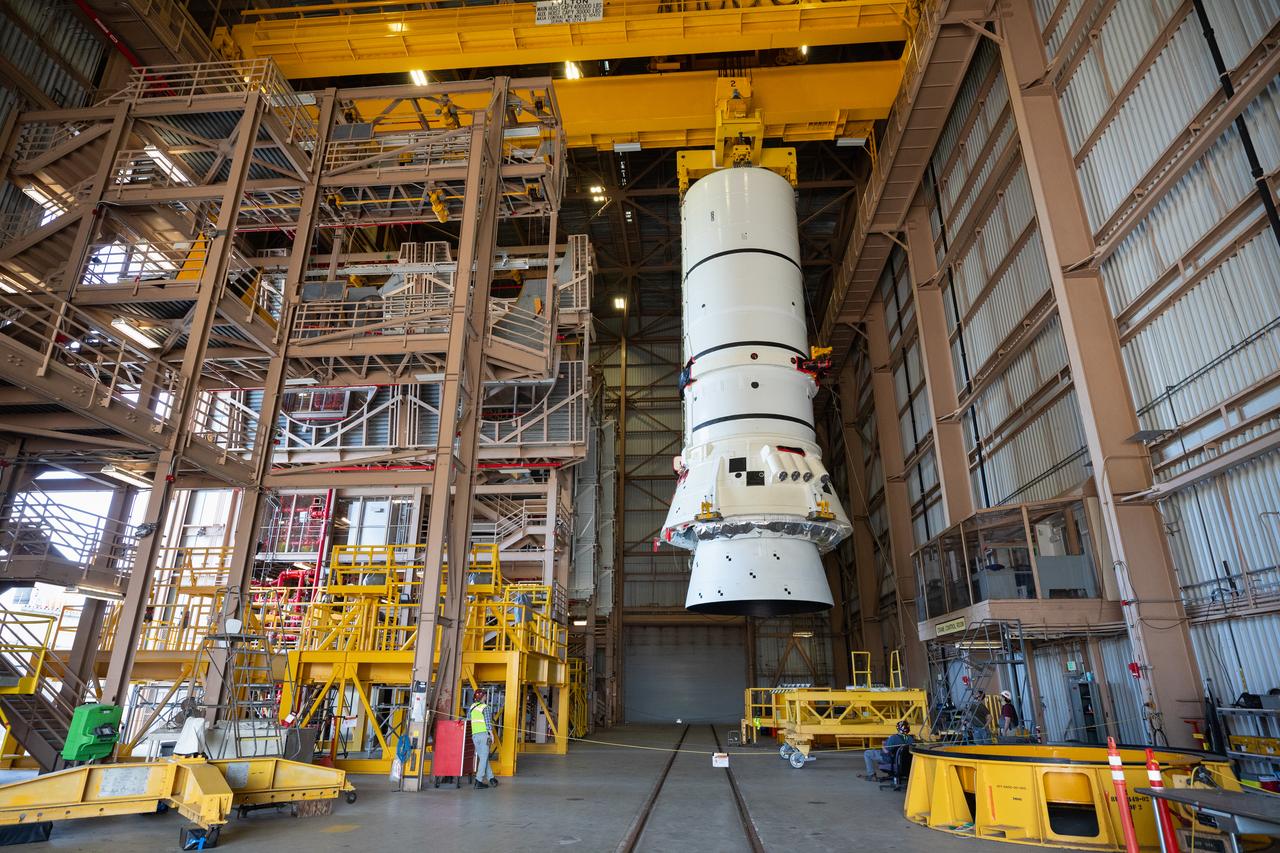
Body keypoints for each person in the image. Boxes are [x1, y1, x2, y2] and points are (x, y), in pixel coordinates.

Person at [468, 689, 498, 789]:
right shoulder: (485, 708)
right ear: (482, 697)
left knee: (483, 758)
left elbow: (468, 719)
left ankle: (491, 778)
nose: (486, 697)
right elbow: (488, 722)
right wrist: (492, 734)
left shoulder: (472, 707)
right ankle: (478, 780)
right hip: (484, 735)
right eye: (485, 695)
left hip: (475, 736)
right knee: (484, 758)